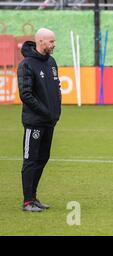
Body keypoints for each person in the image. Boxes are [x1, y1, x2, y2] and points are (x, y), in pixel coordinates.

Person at [17, 28, 61, 212]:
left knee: (43, 158)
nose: (54, 44)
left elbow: (56, 87)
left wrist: (56, 112)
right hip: (34, 122)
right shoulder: (26, 64)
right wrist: (45, 112)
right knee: (30, 160)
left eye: (54, 41)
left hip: (49, 122)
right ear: (41, 41)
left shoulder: (51, 62)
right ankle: (27, 201)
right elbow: (25, 95)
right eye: (51, 41)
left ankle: (34, 198)